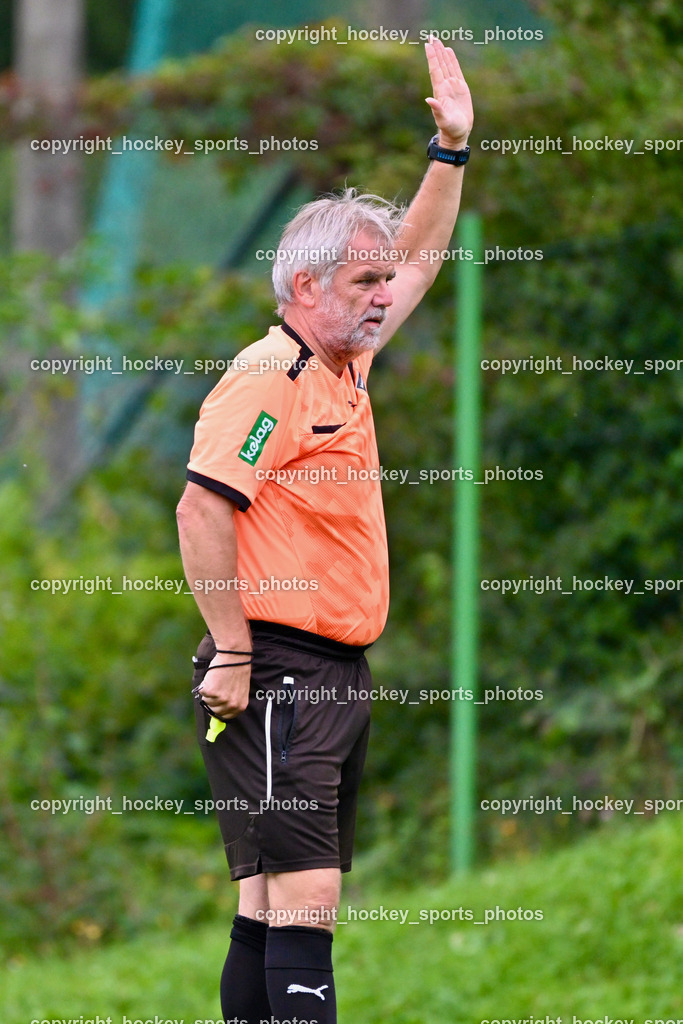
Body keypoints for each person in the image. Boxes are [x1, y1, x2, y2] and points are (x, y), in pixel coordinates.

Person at [177, 37, 473, 1024]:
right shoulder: (272, 377)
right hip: (279, 672)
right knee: (303, 904)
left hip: (326, 671)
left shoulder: (340, 364)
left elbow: (421, 256)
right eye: (362, 287)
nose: (384, 298)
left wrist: (450, 153)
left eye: (379, 284)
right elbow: (202, 503)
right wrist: (230, 650)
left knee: (266, 904)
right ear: (304, 288)